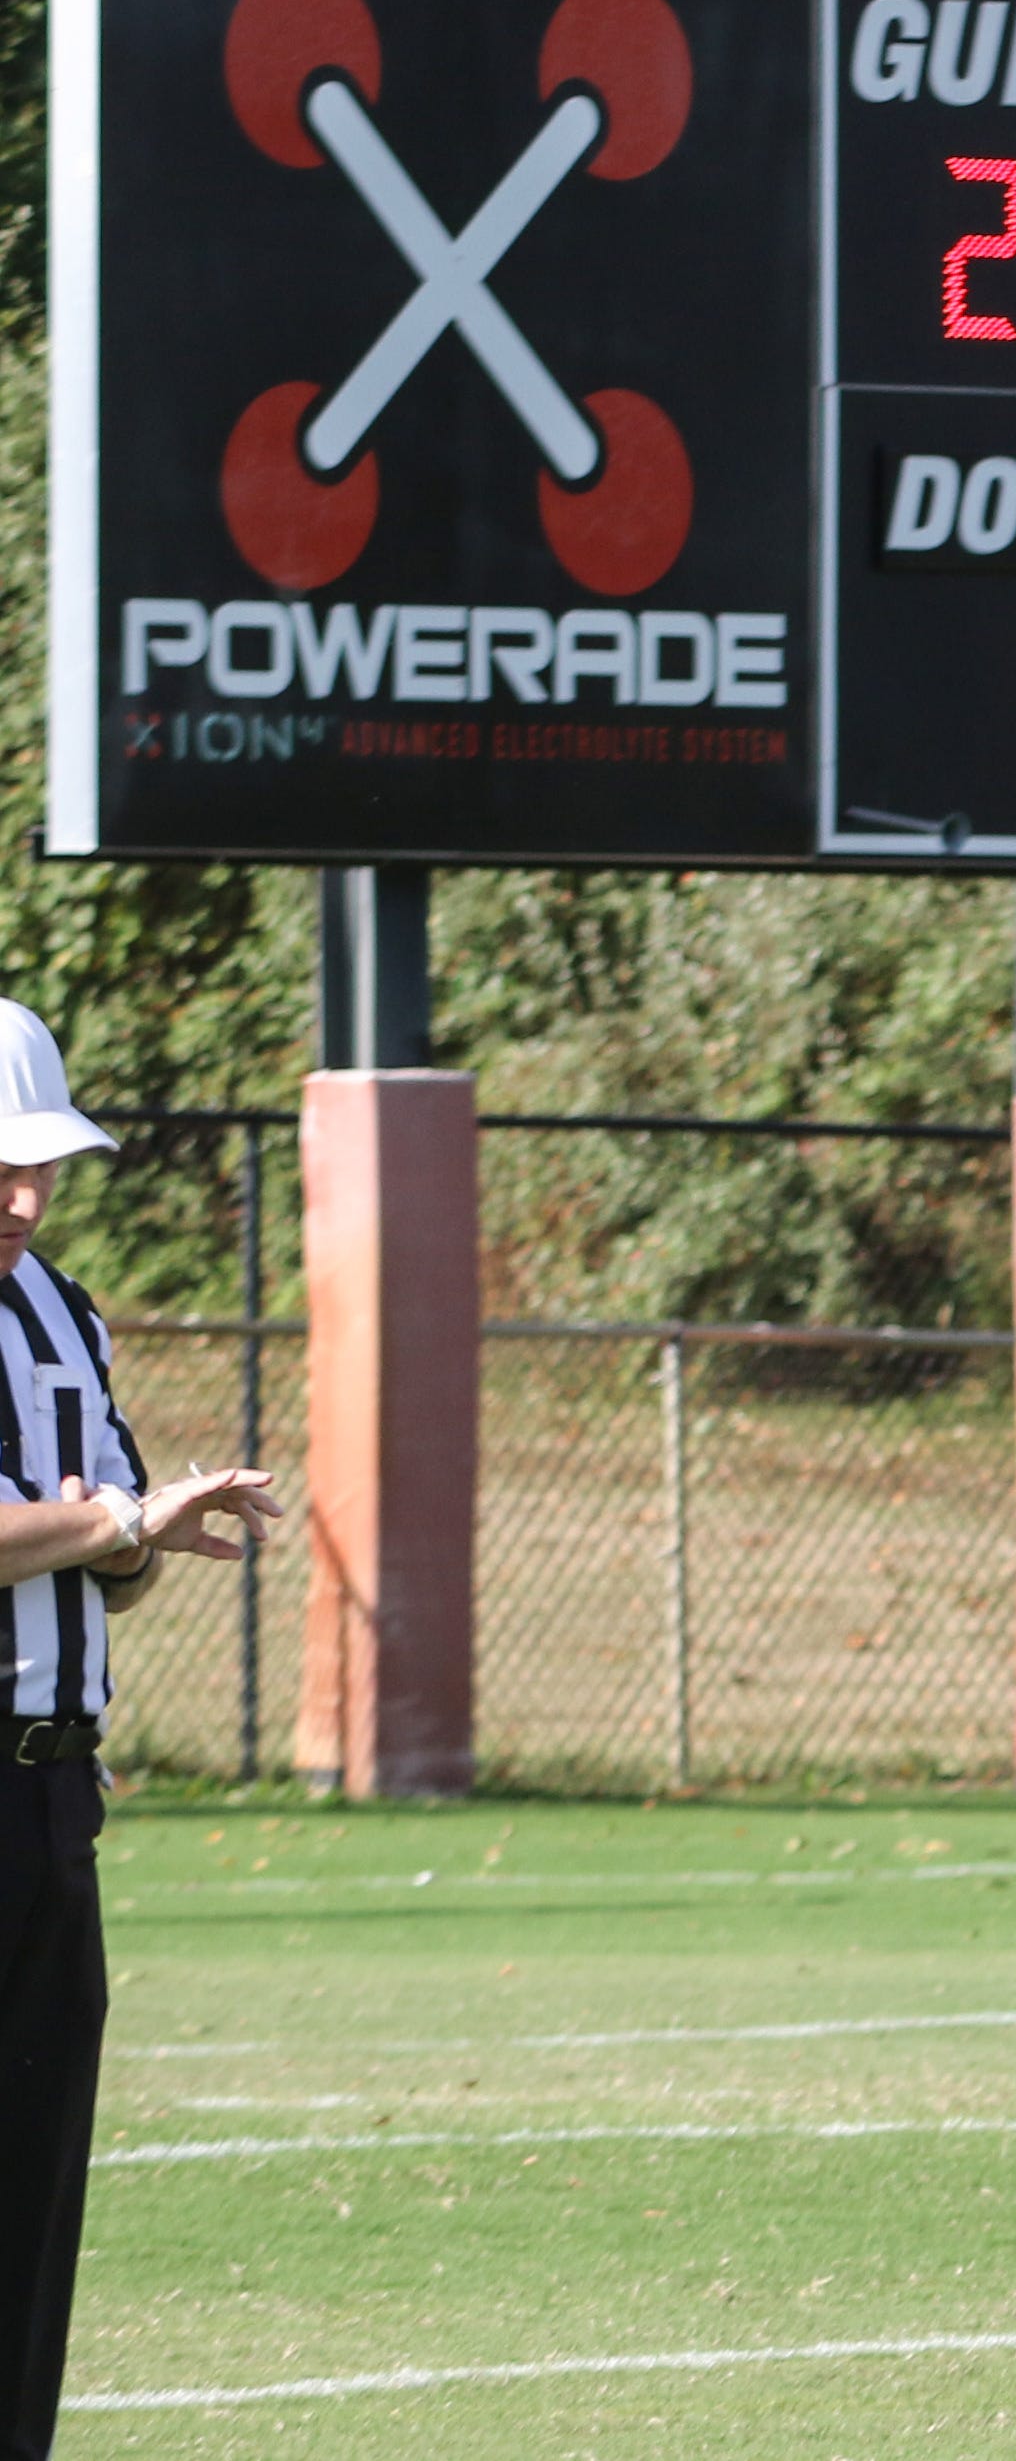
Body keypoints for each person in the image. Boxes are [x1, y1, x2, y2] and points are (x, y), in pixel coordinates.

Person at [0, 1001, 279, 2456]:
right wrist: (117, 1521)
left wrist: (134, 1535)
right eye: (0, 1167)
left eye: (39, 1165)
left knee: (34, 2188)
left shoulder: (66, 1309)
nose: (27, 1197)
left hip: (52, 1800)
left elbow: (124, 1559)